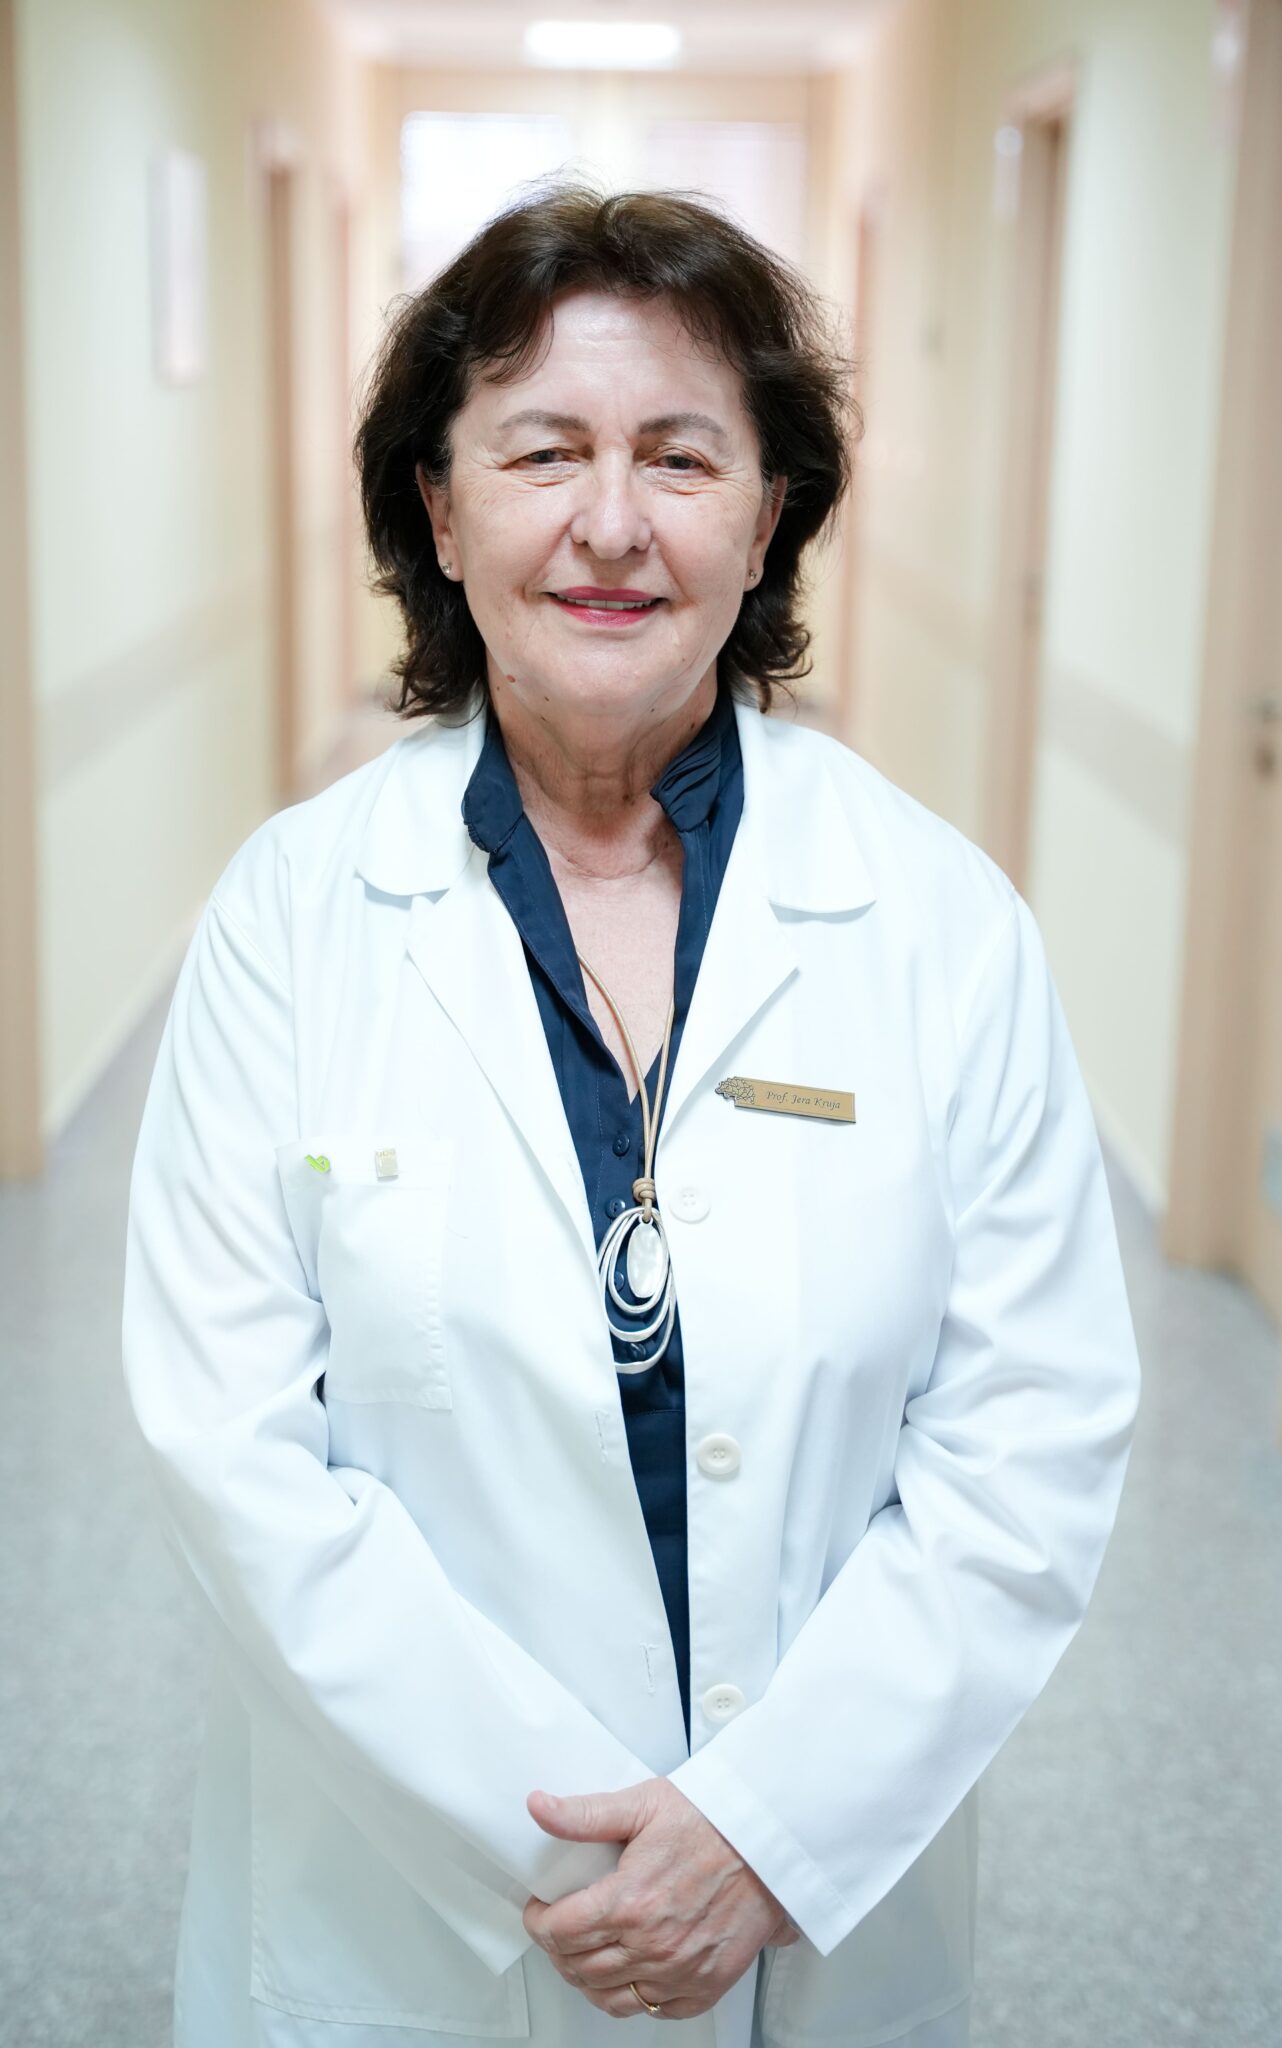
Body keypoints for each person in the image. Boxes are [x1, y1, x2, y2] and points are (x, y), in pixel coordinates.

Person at [121, 183, 1141, 2048]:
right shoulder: (293, 916)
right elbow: (231, 1447)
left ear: (769, 517)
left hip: (818, 1911)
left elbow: (1032, 1434)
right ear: (441, 512)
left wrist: (765, 1837)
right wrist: (587, 1855)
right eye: (541, 453)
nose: (610, 522)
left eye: (679, 455)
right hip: (407, 1917)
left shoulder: (938, 924)